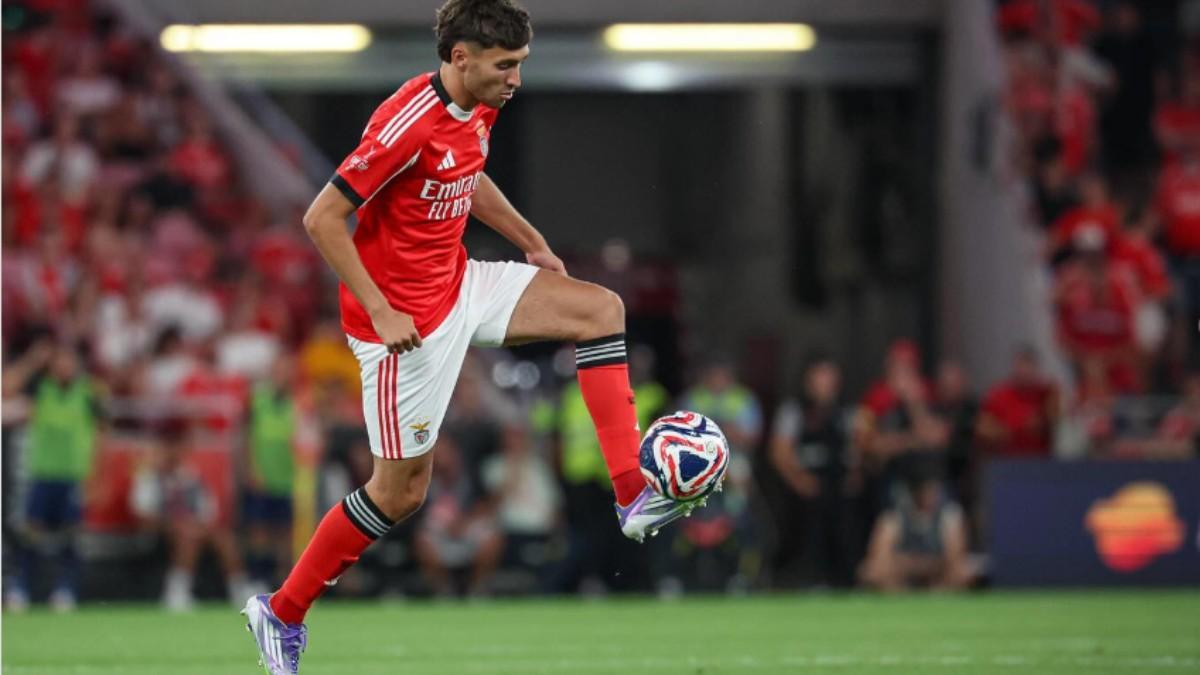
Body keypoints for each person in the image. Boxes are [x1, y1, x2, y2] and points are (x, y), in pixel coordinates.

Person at [242, 2, 701, 670]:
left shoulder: (480, 105)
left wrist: (531, 240)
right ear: (461, 59)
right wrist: (381, 309)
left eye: (518, 64)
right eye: (505, 65)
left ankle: (631, 490)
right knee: (399, 494)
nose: (514, 79)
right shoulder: (406, 121)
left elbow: (468, 173)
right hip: (403, 325)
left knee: (601, 309)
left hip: (460, 284)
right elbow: (323, 217)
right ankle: (279, 612)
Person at [2, 340, 101, 612]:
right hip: (43, 474)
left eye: (70, 360)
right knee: (32, 533)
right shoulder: (39, 389)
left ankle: (66, 590)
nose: (65, 365)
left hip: (74, 476)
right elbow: (6, 388)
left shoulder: (87, 393)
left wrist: (95, 475)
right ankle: (19, 589)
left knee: (72, 536)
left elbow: (102, 434)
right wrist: (32, 360)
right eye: (60, 360)